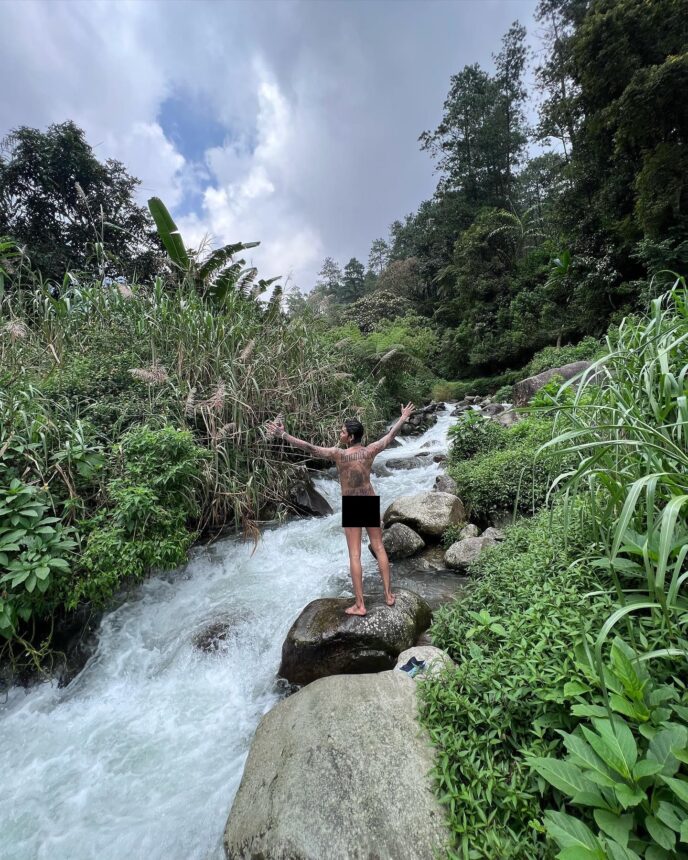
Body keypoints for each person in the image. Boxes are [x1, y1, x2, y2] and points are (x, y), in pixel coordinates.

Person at [265, 402, 415, 616]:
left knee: (355, 555)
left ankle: (360, 605)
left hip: (353, 503)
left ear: (351, 437)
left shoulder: (338, 454)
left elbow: (310, 448)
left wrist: (284, 436)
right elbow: (389, 438)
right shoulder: (370, 450)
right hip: (369, 499)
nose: (340, 433)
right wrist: (402, 418)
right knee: (379, 547)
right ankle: (389, 596)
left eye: (343, 431)